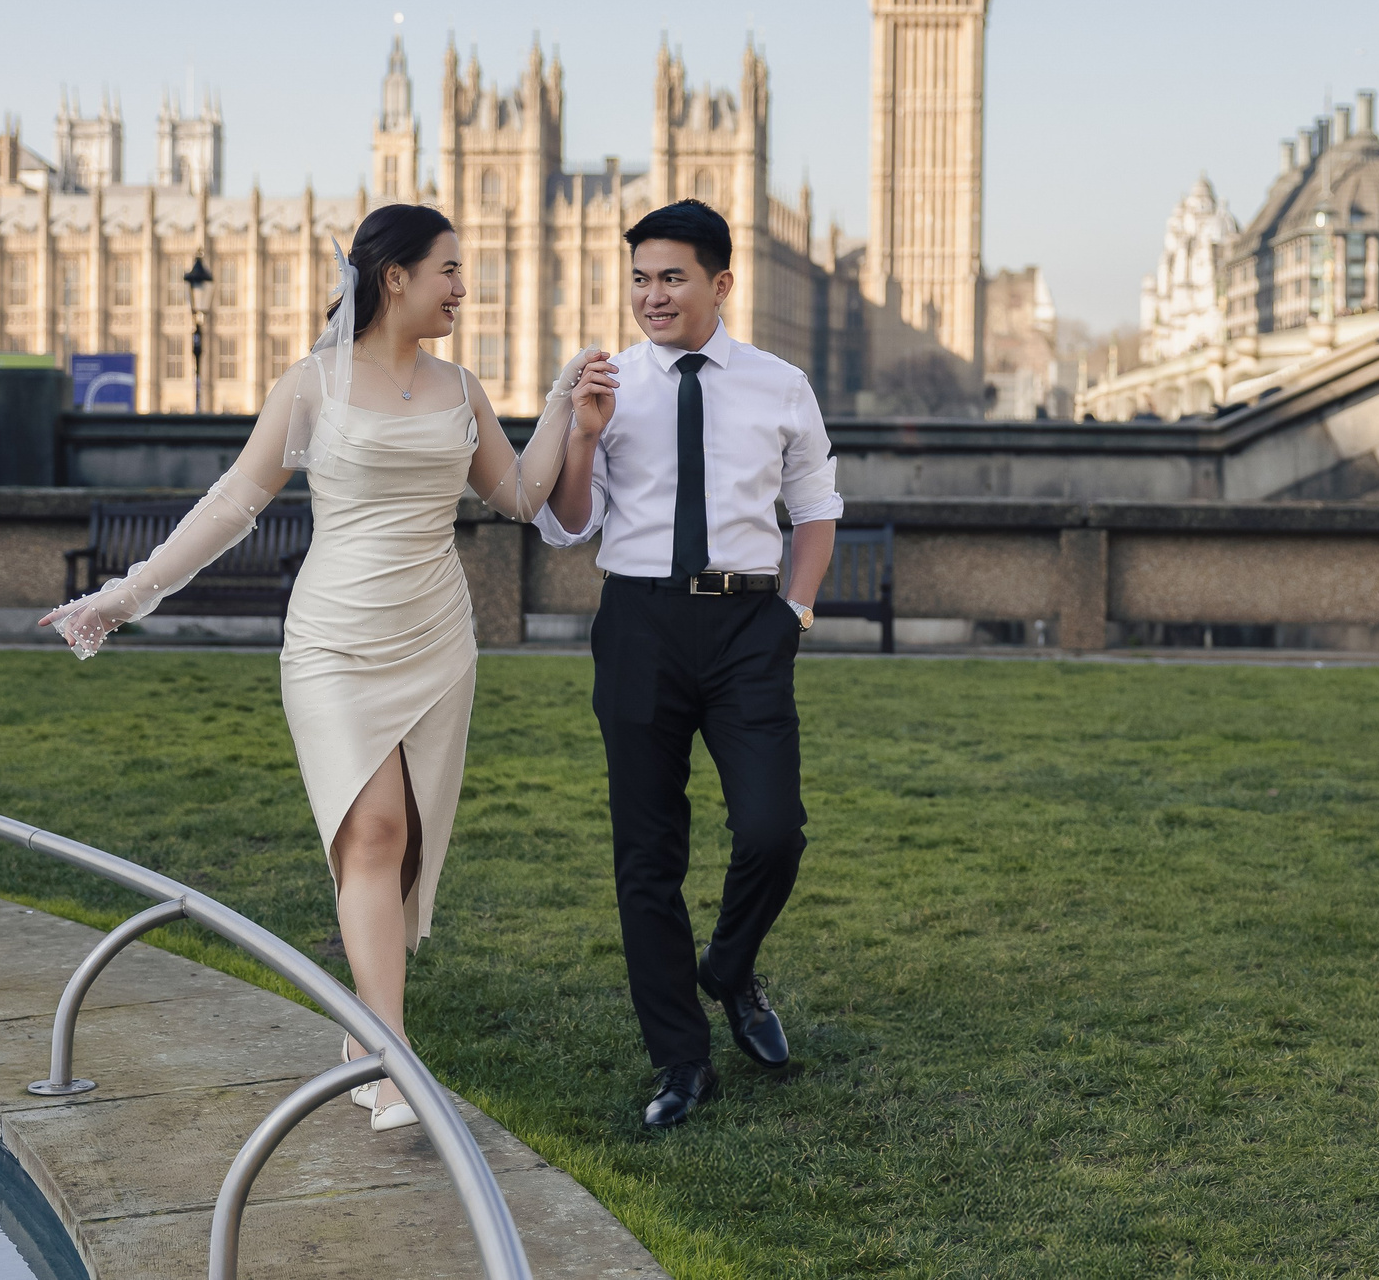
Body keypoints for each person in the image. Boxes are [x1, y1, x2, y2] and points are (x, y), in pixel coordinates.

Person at [41, 204, 616, 1133]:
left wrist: (565, 412)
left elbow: (516, 496)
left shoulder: (462, 387)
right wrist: (123, 596)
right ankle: (391, 1056)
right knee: (375, 828)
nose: (464, 288)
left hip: (435, 639)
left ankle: (365, 1038)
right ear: (395, 279)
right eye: (450, 270)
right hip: (333, 645)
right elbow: (232, 504)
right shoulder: (311, 384)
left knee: (398, 848)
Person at [536, 199, 842, 1129]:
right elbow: (569, 524)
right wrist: (583, 430)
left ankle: (731, 968)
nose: (651, 296)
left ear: (719, 284)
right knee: (647, 858)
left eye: (671, 278)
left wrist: (794, 610)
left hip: (750, 626)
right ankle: (680, 1061)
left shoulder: (780, 383)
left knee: (772, 830)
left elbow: (816, 506)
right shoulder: (607, 382)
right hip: (639, 623)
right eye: (639, 279)